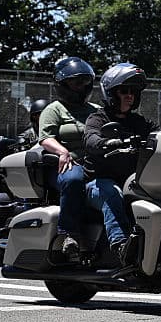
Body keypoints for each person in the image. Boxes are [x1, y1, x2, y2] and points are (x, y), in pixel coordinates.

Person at [83, 62, 155, 263]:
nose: (129, 95)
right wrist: (107, 142)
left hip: (132, 182)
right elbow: (90, 139)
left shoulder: (138, 122)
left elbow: (160, 133)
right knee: (111, 193)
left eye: (133, 91)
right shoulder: (97, 118)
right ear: (111, 93)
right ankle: (121, 246)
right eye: (124, 91)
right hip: (97, 183)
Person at [38, 56, 99, 257]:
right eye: (75, 81)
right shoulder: (54, 109)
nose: (81, 86)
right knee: (74, 180)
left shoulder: (97, 111)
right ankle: (68, 234)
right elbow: (45, 138)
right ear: (62, 84)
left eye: (84, 81)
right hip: (69, 164)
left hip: (97, 163)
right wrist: (62, 151)